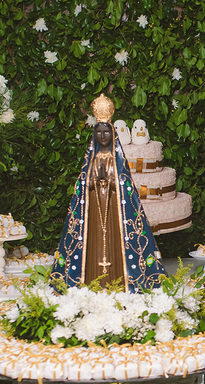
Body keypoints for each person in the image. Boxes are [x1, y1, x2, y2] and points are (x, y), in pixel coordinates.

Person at [51, 94, 165, 291]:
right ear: (94, 135)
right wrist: (94, 180)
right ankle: (90, 279)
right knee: (93, 243)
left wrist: (111, 180)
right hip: (93, 212)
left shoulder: (116, 158)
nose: (102, 136)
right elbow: (83, 185)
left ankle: (120, 280)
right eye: (99, 133)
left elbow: (125, 184)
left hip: (115, 211)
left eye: (106, 132)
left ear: (113, 134)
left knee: (116, 243)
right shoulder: (92, 158)